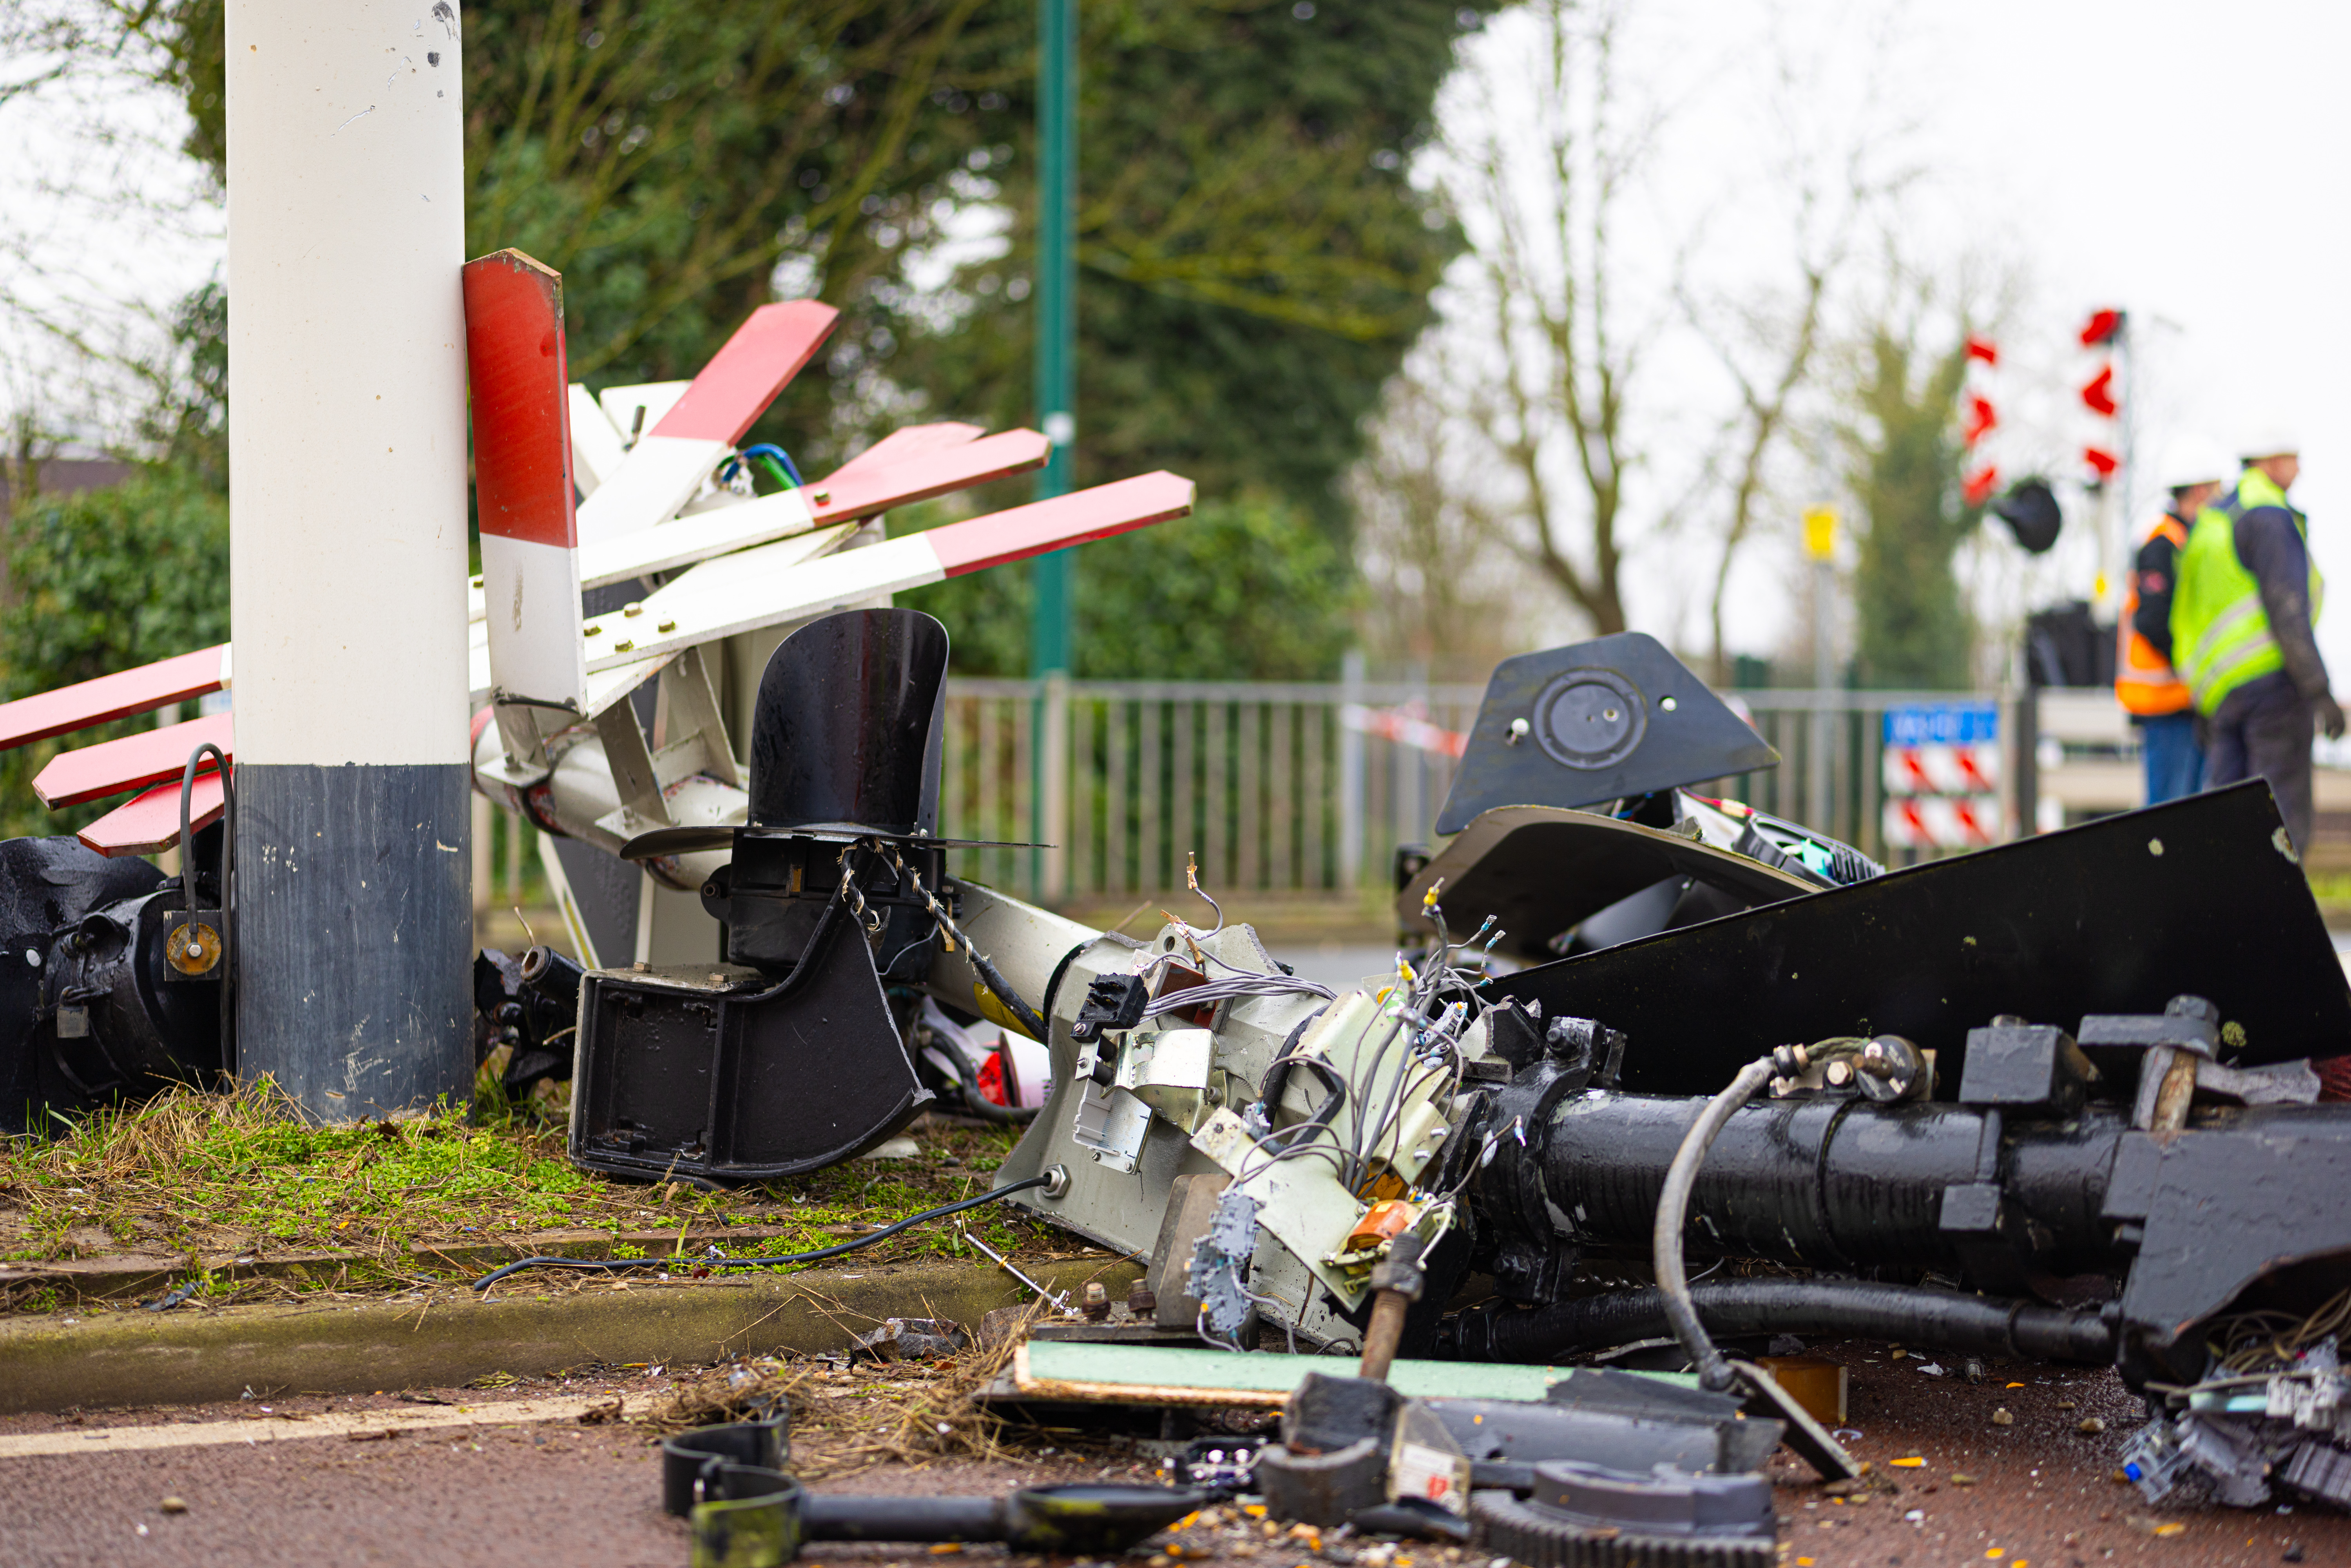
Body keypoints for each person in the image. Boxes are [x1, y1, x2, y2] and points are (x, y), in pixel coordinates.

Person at [2171, 431, 2343, 853]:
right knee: (2279, 823)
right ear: (2272, 460)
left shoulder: (2211, 523)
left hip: (2220, 697)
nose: (2299, 469)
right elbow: (2288, 610)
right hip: (2273, 688)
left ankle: (2226, 899)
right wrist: (2319, 691)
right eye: (2294, 458)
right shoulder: (2267, 514)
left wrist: (2204, 697)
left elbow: (2184, 620)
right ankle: (2277, 900)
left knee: (2229, 828)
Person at [2117, 443, 2229, 803]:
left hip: (2185, 703)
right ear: (2200, 491)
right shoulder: (2163, 545)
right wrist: (2192, 667)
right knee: (2169, 811)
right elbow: (2152, 621)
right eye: (2217, 489)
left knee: (2187, 813)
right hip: (2166, 703)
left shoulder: (2188, 543)